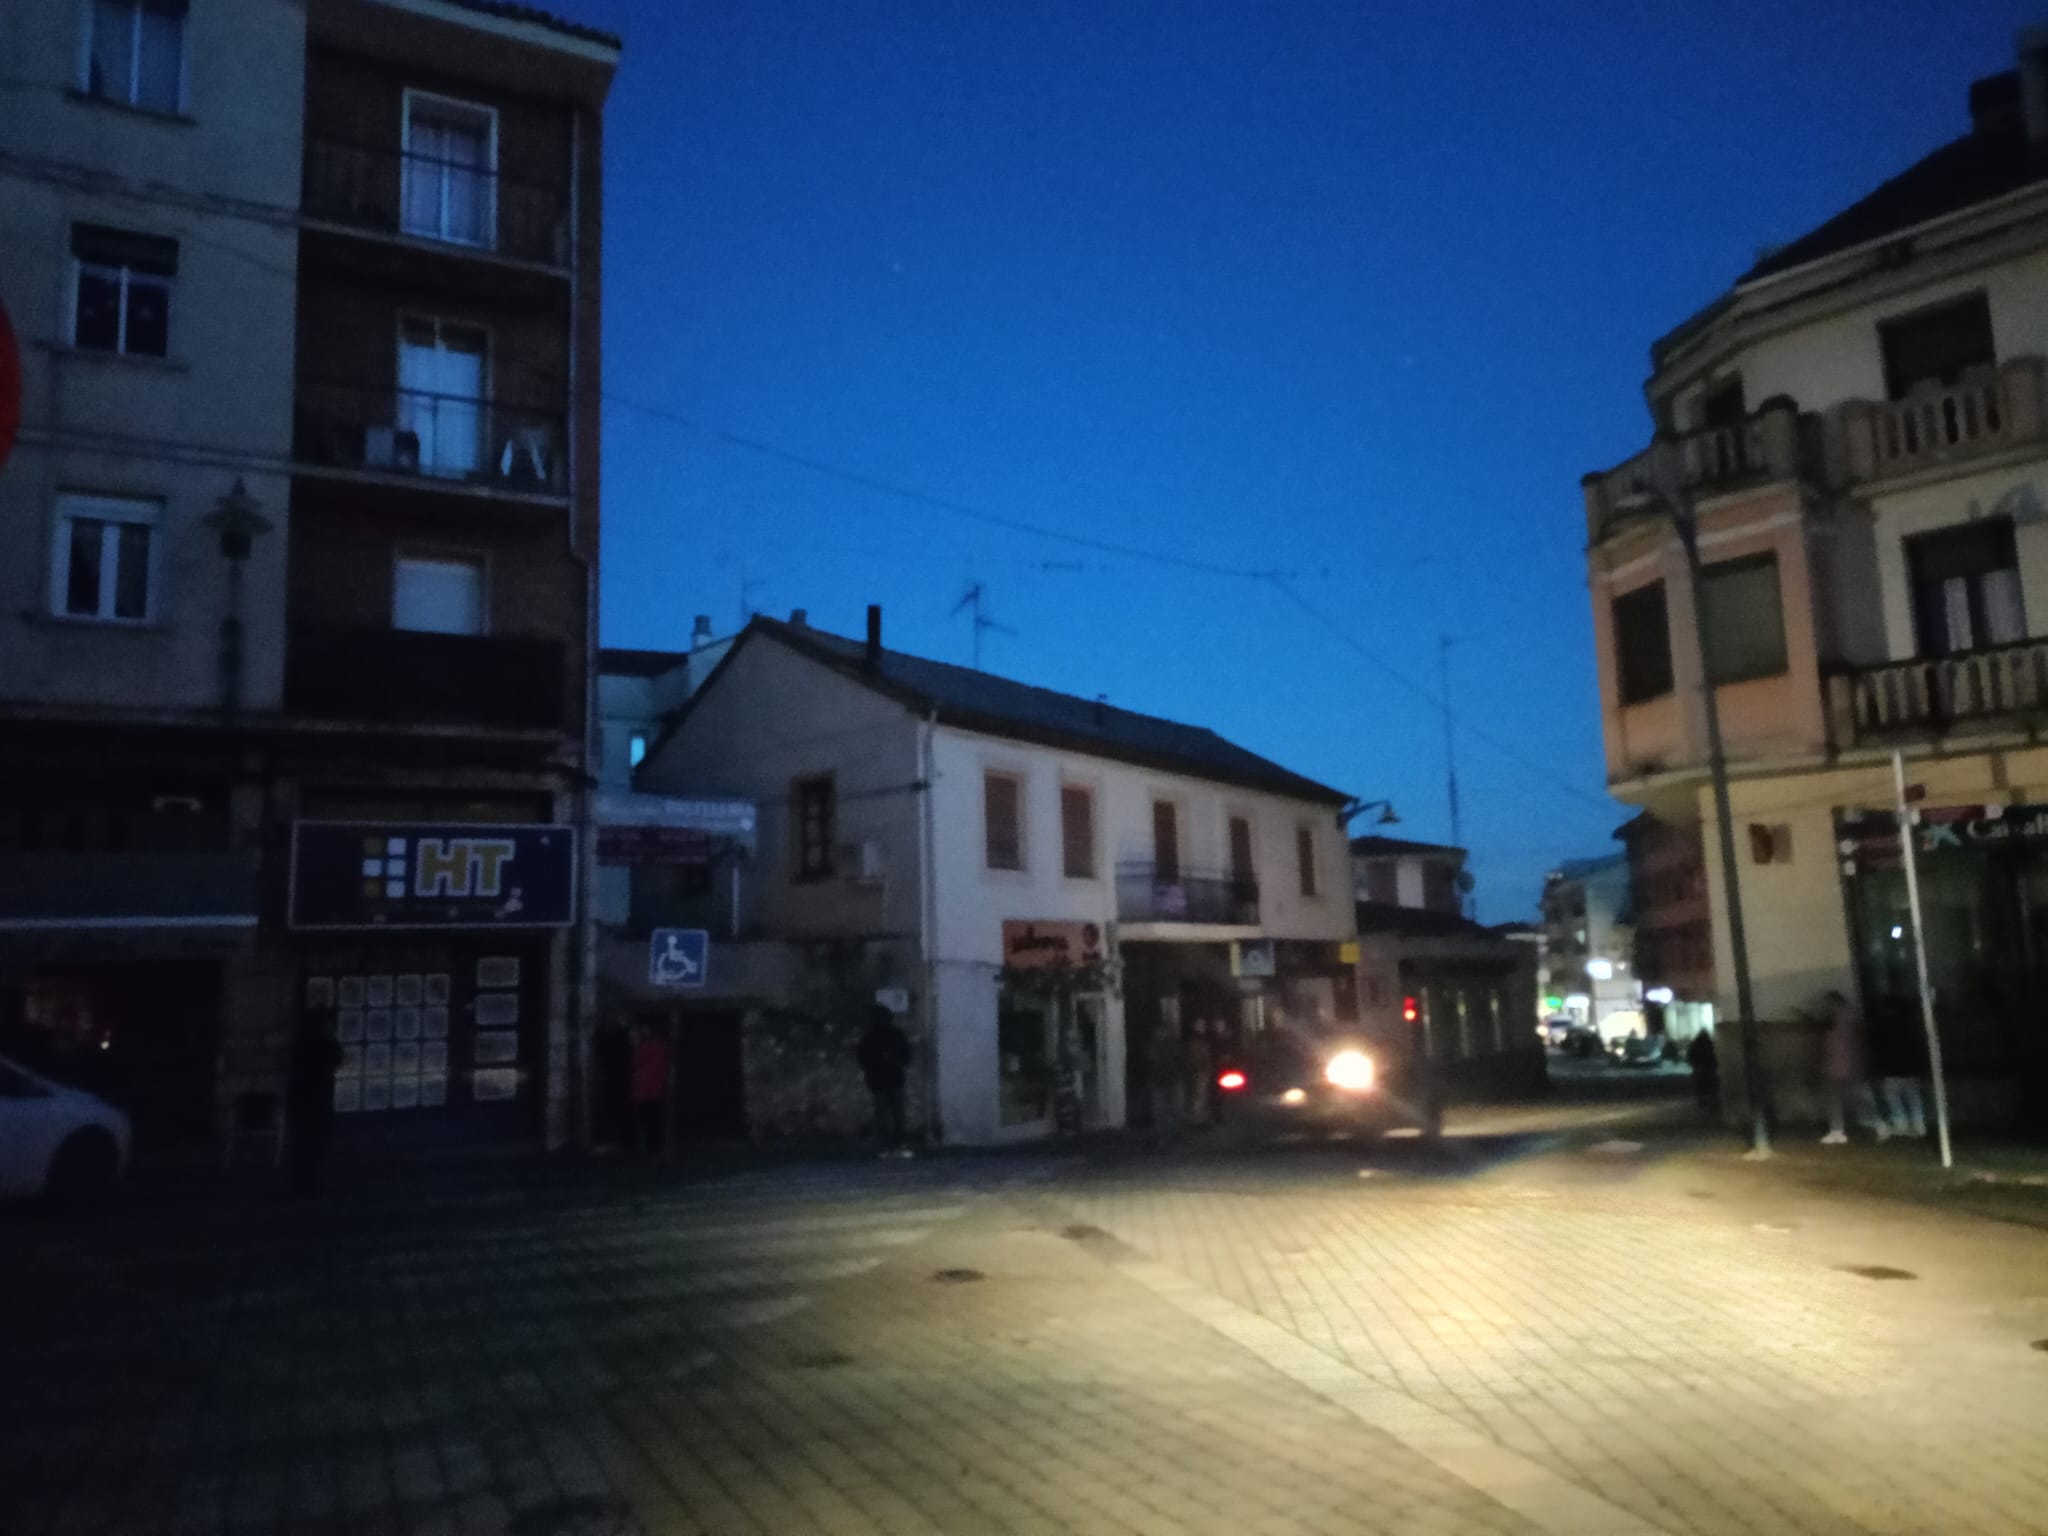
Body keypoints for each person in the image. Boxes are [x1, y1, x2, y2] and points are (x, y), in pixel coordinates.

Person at [1819, 989, 1885, 1145]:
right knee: (1846, 1099)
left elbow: (1851, 1045)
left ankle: (1840, 1131)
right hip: (1840, 1065)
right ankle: (1839, 1131)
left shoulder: (1841, 1021)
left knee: (1855, 1099)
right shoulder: (1845, 1019)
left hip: (1844, 1065)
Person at [286, 1016, 343, 1198]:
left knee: (302, 1148)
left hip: (304, 1104)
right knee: (315, 1148)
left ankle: (300, 1184)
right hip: (318, 1104)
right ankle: (310, 1184)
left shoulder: (302, 1046)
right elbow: (337, 1059)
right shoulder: (326, 1046)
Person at [857, 1004, 913, 1156]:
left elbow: (906, 1056)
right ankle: (891, 1144)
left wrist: (892, 1060)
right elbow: (863, 1059)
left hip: (887, 1079)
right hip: (884, 1080)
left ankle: (894, 1144)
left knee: (893, 1114)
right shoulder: (879, 1037)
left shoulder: (877, 1037)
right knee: (890, 1115)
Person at [1869, 1001, 1929, 1139]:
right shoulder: (1909, 1027)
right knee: (1914, 1099)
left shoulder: (1881, 1028)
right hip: (1910, 1069)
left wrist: (1878, 1069)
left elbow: (1877, 1050)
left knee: (1895, 1100)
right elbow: (1917, 1048)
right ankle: (1919, 1127)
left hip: (1891, 1071)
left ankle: (1901, 1125)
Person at [629, 1023, 670, 1156]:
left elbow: (634, 1062)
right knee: (655, 1119)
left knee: (645, 1120)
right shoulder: (661, 1047)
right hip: (656, 1089)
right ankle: (657, 1145)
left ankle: (647, 1146)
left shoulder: (643, 1049)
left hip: (643, 1090)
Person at [1147, 1019, 1185, 1147]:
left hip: (1163, 1080)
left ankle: (1166, 1134)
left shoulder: (1155, 1045)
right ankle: (1170, 1133)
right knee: (1170, 1109)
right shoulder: (1172, 1044)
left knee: (1164, 1110)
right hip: (1168, 1080)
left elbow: (1151, 1062)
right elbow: (1180, 1060)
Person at [1184, 1019, 1216, 1128]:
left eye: (1203, 1024)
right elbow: (1194, 1056)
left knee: (1202, 1095)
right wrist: (1200, 1067)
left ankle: (1201, 1118)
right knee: (1199, 1095)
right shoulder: (1195, 1040)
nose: (1203, 1026)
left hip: (1204, 1070)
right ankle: (1197, 1120)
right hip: (1199, 1070)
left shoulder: (1202, 1038)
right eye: (1201, 1025)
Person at [1686, 1026, 1720, 1113]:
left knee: (1700, 1087)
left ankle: (1702, 1103)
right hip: (1709, 1068)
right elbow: (1714, 1055)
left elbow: (1690, 1056)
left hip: (1699, 1068)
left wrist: (1694, 1064)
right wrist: (1715, 1065)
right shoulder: (1709, 1043)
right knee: (1711, 1086)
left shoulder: (1695, 1043)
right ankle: (1712, 1103)